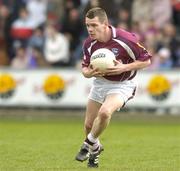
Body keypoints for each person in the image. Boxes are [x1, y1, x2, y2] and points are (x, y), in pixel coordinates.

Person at [75, 7, 151, 168]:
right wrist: (89, 74)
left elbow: (146, 61)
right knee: (89, 125)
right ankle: (95, 150)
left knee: (104, 112)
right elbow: (85, 68)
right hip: (100, 83)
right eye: (88, 25)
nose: (90, 29)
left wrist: (123, 68)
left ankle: (87, 143)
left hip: (123, 84)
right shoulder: (89, 43)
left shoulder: (125, 38)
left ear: (105, 24)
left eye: (94, 25)